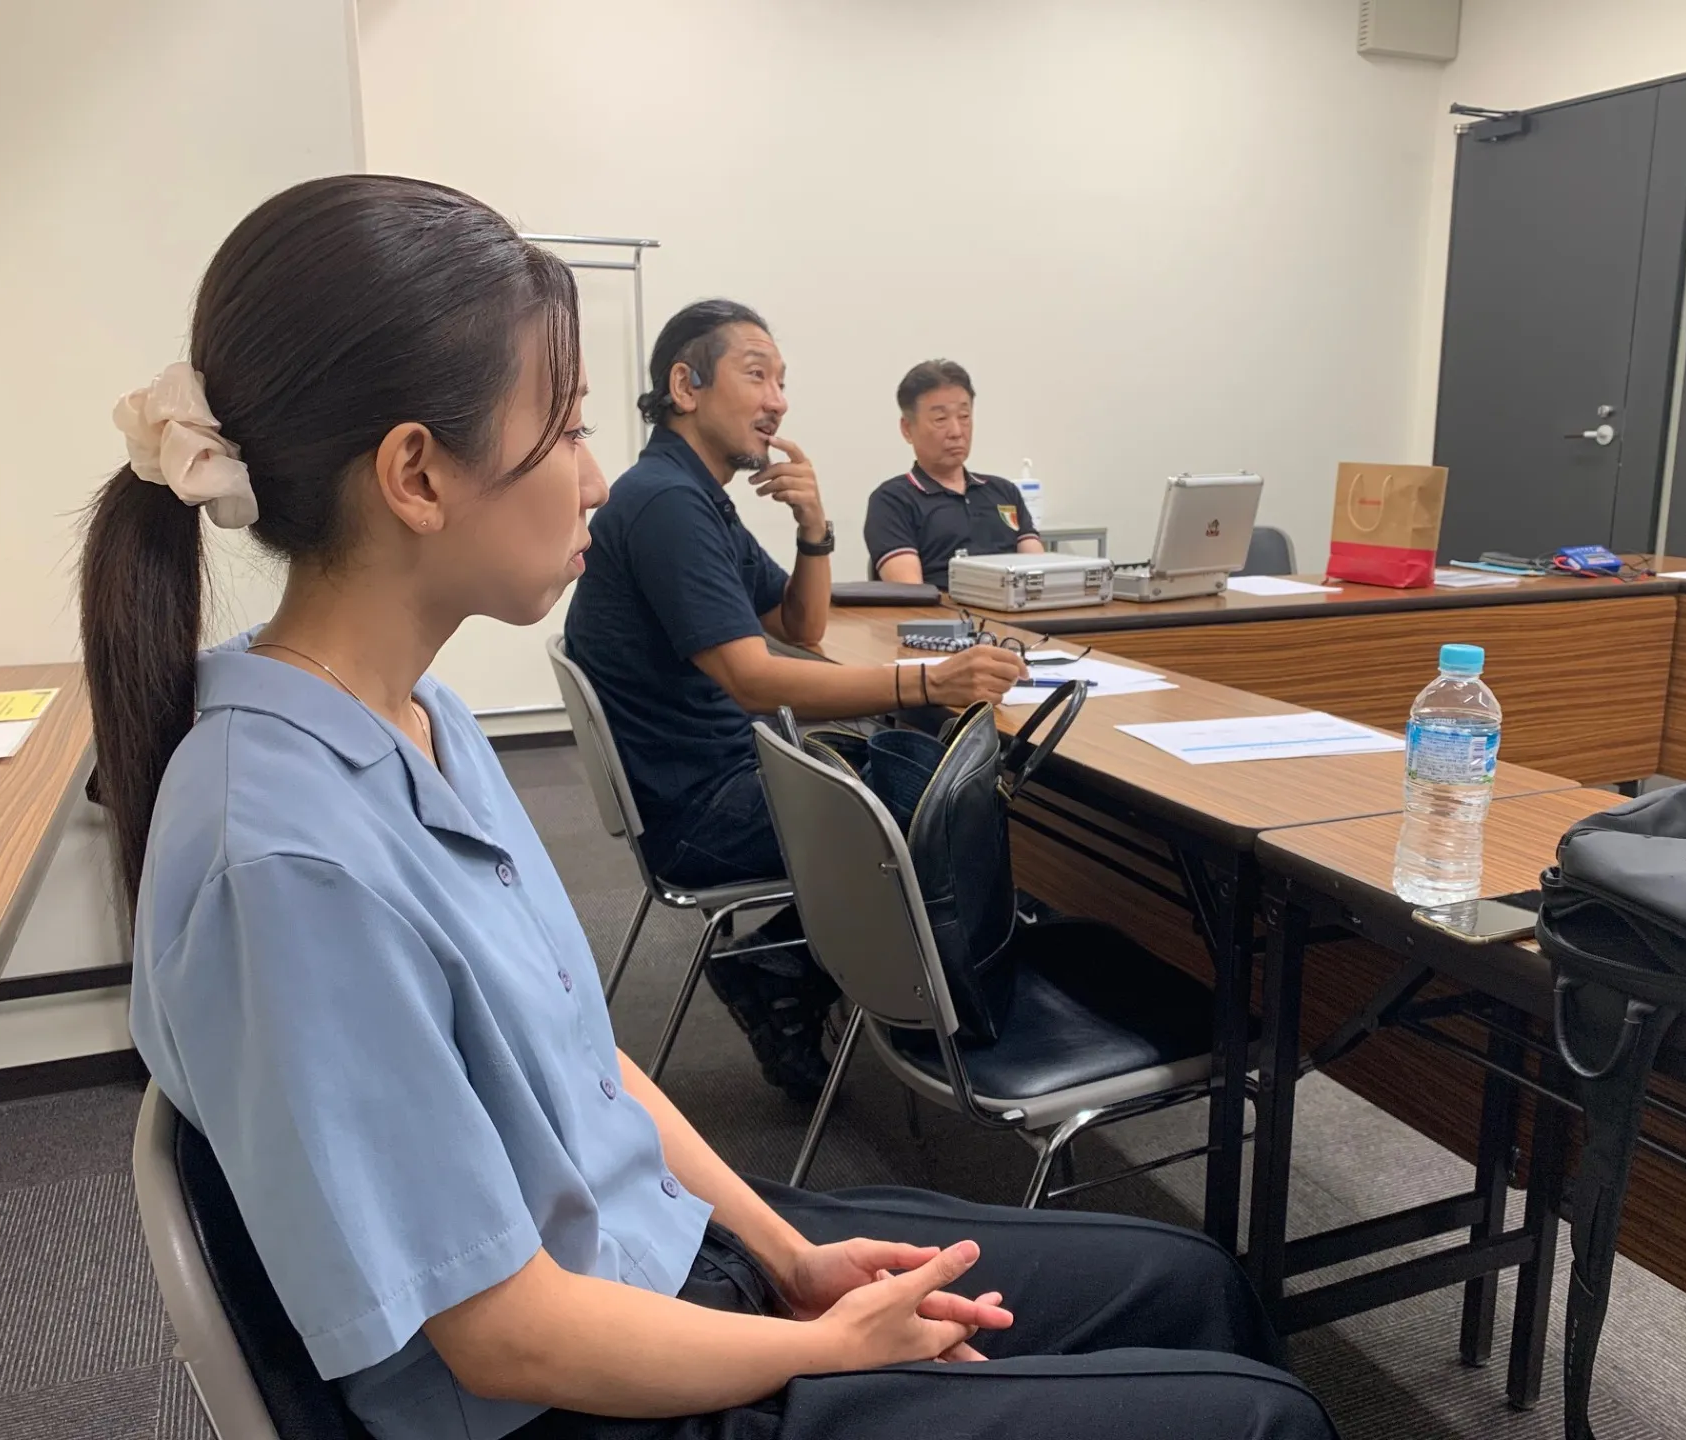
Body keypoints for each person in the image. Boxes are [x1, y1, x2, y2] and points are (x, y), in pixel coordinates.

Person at [80, 175, 1336, 1440]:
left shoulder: (425, 719)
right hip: (584, 1391)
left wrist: (788, 1256)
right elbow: (508, 1336)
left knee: (1194, 1283)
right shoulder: (287, 861)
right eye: (566, 429)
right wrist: (819, 1347)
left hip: (656, 1257)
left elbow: (588, 1063)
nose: (591, 478)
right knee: (1257, 1418)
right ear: (416, 473)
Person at [562, 306, 1026, 1101]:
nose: (778, 399)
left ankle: (781, 963)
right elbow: (754, 678)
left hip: (715, 776)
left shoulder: (694, 495)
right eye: (757, 374)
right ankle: (809, 975)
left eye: (782, 381)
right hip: (699, 809)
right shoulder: (666, 503)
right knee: (938, 810)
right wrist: (927, 683)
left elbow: (799, 626)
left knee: (921, 782)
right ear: (685, 386)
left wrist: (814, 527)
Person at [865, 360, 1044, 587]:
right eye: (941, 419)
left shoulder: (1004, 492)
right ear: (907, 429)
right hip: (943, 609)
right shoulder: (892, 501)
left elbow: (1041, 574)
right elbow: (911, 594)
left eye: (964, 416)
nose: (957, 432)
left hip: (1013, 608)